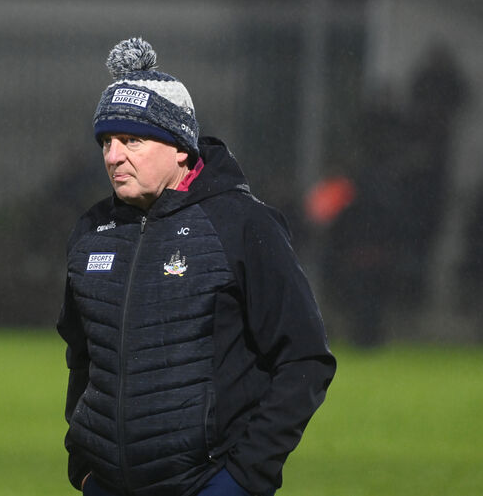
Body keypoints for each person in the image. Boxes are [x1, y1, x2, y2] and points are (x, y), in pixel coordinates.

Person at [57, 37, 336, 496]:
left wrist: (244, 478)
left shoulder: (244, 225)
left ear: (180, 147)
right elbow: (83, 357)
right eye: (106, 141)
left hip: (208, 485)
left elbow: (304, 358)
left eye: (132, 140)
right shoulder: (91, 231)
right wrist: (85, 467)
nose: (112, 156)